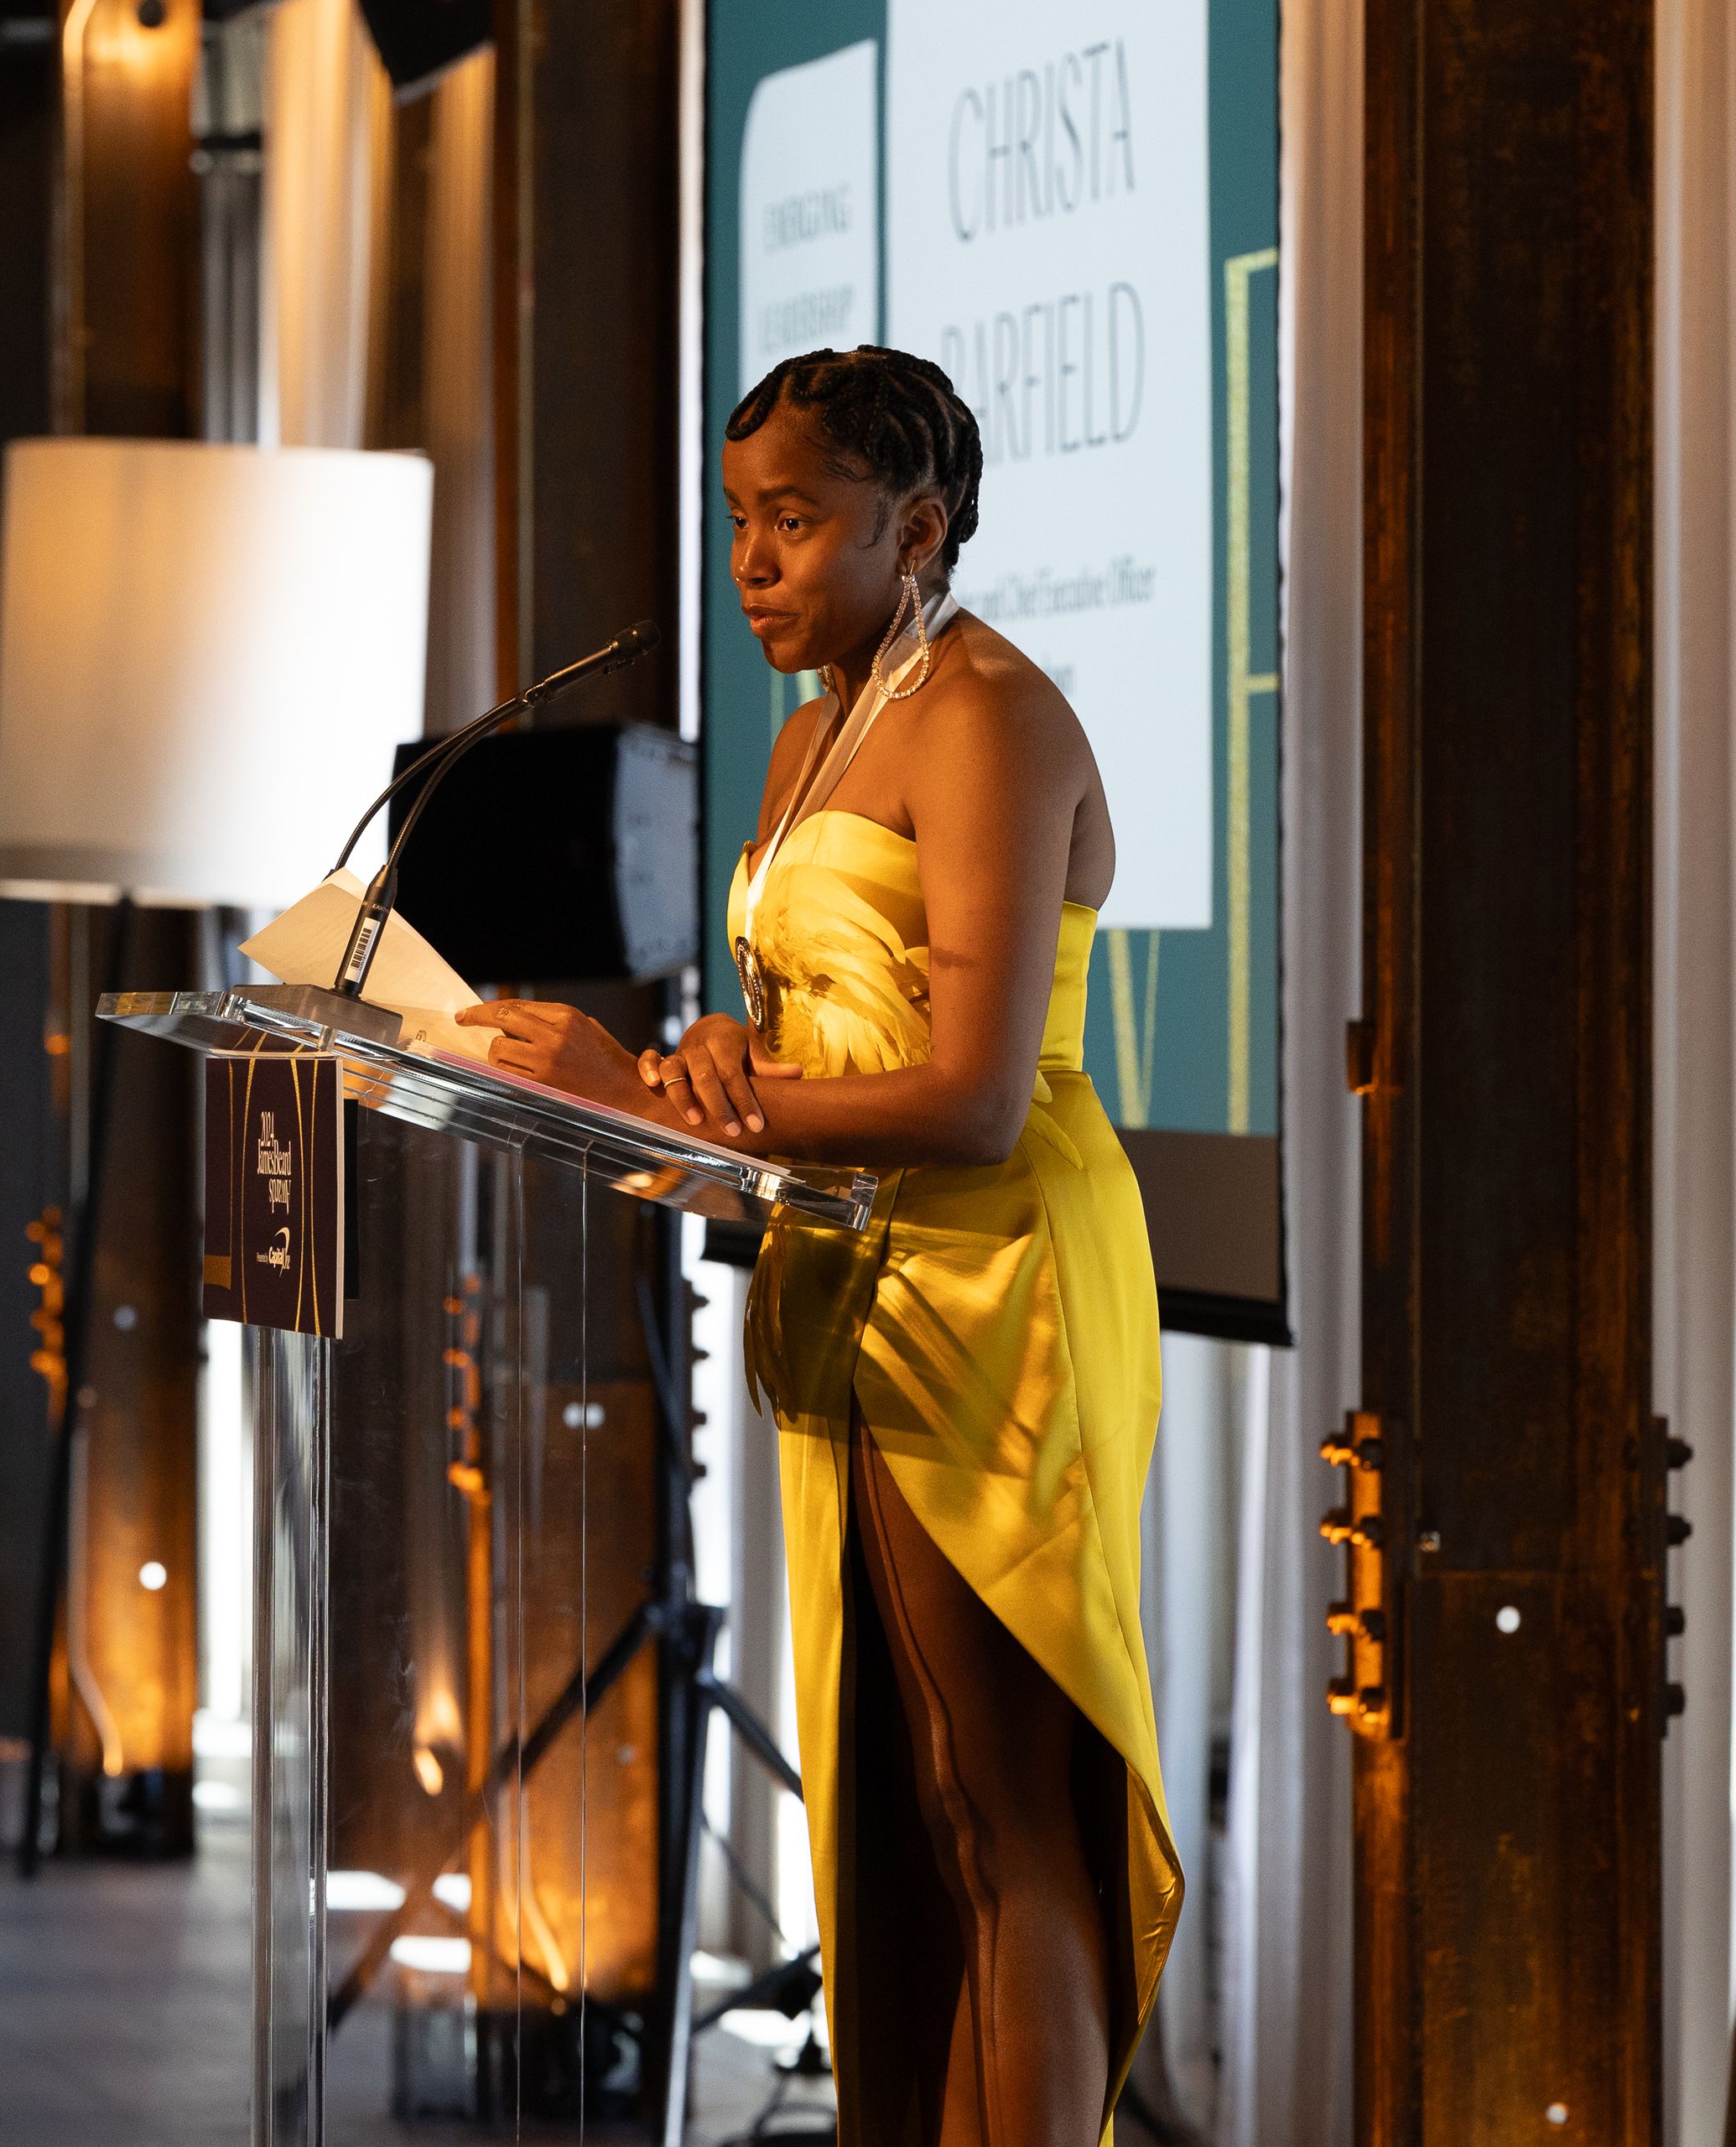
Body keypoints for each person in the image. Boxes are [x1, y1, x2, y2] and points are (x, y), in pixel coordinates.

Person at [459, 346, 1175, 2144]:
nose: (753, 562)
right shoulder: (811, 726)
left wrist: (672, 1093)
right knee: (915, 1806)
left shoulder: (992, 711)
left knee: (1002, 1806)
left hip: (993, 1275)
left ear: (915, 525)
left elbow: (977, 1097)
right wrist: (714, 1072)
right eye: (739, 522)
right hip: (848, 1271)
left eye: (794, 520)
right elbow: (809, 1045)